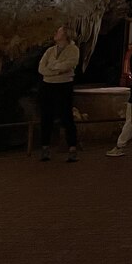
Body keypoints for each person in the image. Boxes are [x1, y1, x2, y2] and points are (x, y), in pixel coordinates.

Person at [37, 27, 80, 163]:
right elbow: (41, 68)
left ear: (66, 34)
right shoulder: (50, 50)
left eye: (59, 31)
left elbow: (69, 64)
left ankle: (72, 148)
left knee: (66, 116)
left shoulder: (73, 50)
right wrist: (56, 70)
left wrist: (53, 67)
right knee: (46, 116)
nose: (56, 33)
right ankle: (45, 147)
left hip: (63, 86)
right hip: (48, 85)